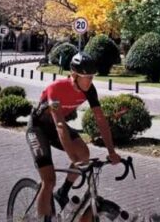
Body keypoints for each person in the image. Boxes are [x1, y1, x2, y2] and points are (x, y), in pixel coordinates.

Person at [26, 52, 120, 222]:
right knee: (49, 181)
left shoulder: (89, 90)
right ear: (75, 75)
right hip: (38, 128)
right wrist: (72, 158)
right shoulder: (55, 88)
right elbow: (60, 124)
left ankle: (63, 192)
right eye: (87, 77)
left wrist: (111, 151)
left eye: (92, 77)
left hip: (55, 127)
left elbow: (100, 119)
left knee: (84, 154)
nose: (90, 81)